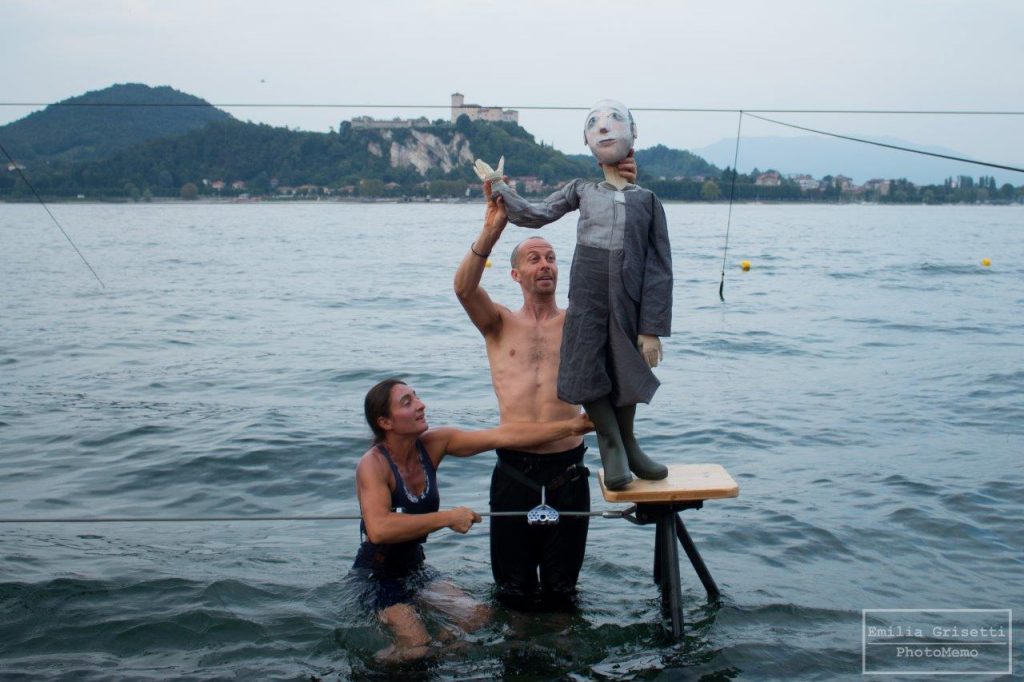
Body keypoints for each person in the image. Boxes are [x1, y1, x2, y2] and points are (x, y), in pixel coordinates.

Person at [453, 155, 638, 610]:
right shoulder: (498, 323)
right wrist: (493, 230)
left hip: (568, 470)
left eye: (552, 258)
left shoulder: (579, 323)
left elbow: (624, 273)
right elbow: (462, 288)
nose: (546, 264)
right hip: (513, 470)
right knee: (512, 594)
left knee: (563, 593)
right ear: (516, 274)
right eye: (534, 258)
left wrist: (620, 190)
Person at [473, 99, 672, 491]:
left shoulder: (647, 200)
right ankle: (612, 444)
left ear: (633, 134)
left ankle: (629, 443)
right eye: (594, 123)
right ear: (585, 139)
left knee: (625, 367)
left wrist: (651, 327)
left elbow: (659, 268)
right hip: (586, 296)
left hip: (628, 300)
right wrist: (501, 189)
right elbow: (536, 212)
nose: (604, 127)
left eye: (614, 120)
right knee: (585, 366)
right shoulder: (581, 190)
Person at [351, 377, 593, 661]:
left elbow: (502, 437)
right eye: (407, 402)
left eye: (416, 396)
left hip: (415, 569)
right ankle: (368, 669)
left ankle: (442, 645)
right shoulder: (373, 465)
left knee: (479, 618)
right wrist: (447, 518)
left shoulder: (434, 444)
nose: (421, 405)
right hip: (377, 576)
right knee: (416, 646)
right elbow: (379, 529)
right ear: (385, 422)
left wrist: (572, 426)